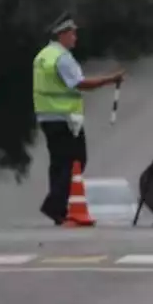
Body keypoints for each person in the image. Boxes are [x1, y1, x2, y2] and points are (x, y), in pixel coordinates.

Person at [32, 13, 124, 224]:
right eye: (72, 34)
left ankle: (59, 212)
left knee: (58, 163)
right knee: (75, 160)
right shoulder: (62, 57)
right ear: (62, 35)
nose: (75, 38)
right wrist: (109, 79)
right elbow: (80, 83)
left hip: (47, 116)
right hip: (65, 118)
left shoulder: (43, 55)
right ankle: (54, 205)